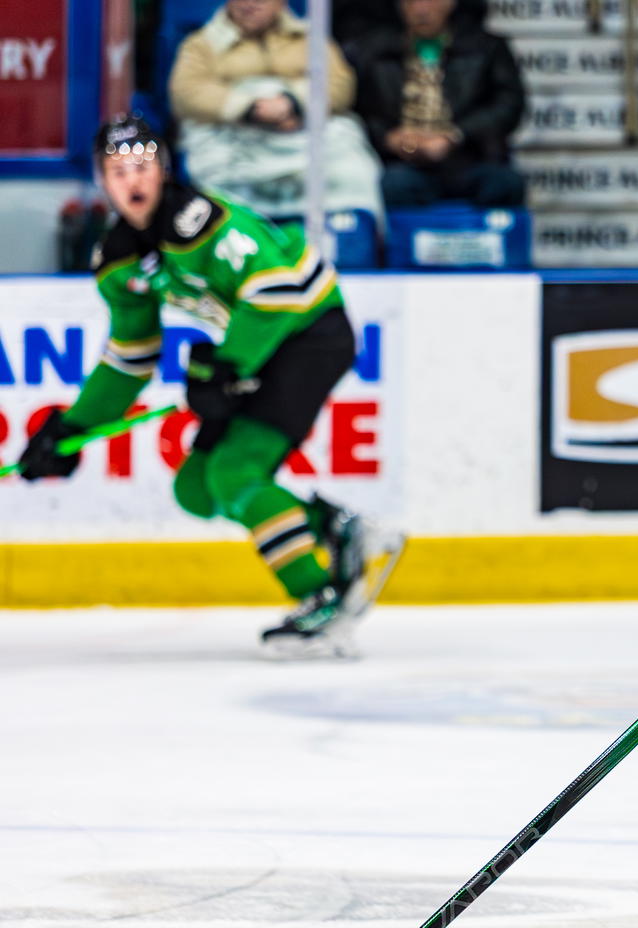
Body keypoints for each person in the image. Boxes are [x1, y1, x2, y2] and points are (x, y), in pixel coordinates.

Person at [16, 116, 404, 657]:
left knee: (234, 473)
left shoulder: (202, 222)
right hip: (257, 349)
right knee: (197, 488)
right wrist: (70, 429)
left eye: (143, 166)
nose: (132, 181)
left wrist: (228, 368)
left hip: (310, 334)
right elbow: (130, 358)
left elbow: (279, 290)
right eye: (118, 170)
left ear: (163, 170)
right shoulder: (119, 260)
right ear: (102, 180)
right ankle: (342, 530)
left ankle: (322, 600)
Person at [168, 0, 384, 222]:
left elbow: (340, 85)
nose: (249, 4)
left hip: (306, 135)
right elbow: (186, 93)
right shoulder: (200, 44)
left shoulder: (310, 38)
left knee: (354, 169)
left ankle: (346, 235)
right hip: (236, 140)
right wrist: (249, 107)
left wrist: (293, 104)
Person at [349, 0, 527, 210]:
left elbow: (508, 106)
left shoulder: (485, 48)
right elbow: (359, 110)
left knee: (505, 184)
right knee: (393, 186)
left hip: (472, 159)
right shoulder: (374, 52)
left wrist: (455, 136)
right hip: (405, 165)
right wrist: (389, 138)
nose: (421, 9)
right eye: (412, 2)